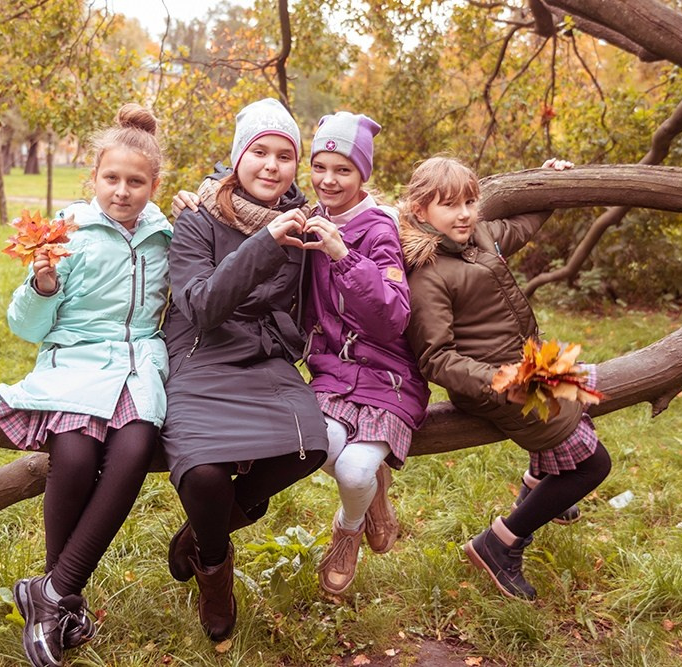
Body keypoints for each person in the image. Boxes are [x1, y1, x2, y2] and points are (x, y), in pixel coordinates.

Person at [0, 103, 172, 666]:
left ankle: (51, 592)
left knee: (135, 448)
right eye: (111, 178)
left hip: (139, 365)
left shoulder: (167, 236)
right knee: (73, 455)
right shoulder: (65, 234)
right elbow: (24, 327)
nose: (122, 191)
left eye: (135, 181)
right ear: (92, 178)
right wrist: (43, 286)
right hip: (76, 363)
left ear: (154, 184)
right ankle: (64, 599)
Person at [400, 156, 612, 601]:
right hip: (497, 388)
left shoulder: (479, 236)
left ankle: (540, 485)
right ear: (420, 211)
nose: (464, 213)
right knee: (595, 464)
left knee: (583, 403)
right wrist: (502, 379)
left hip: (527, 367)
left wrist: (549, 184)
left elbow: (522, 225)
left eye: (470, 202)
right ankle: (501, 542)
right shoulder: (428, 275)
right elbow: (435, 358)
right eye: (449, 205)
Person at [161, 98, 329, 641]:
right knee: (205, 471)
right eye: (260, 152)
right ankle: (215, 569)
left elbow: (376, 220)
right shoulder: (197, 217)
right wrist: (263, 243)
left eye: (285, 155)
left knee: (312, 445)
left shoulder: (309, 224)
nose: (271, 165)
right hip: (201, 353)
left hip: (266, 357)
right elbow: (204, 305)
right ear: (237, 158)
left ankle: (204, 528)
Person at [300, 112, 429, 594]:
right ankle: (371, 496)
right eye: (320, 167)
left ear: (362, 176)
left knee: (355, 470)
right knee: (320, 449)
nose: (329, 180)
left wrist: (343, 256)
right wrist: (204, 191)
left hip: (388, 379)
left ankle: (348, 529)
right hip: (332, 375)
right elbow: (247, 194)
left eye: (343, 170)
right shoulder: (311, 216)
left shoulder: (378, 229)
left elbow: (392, 318)